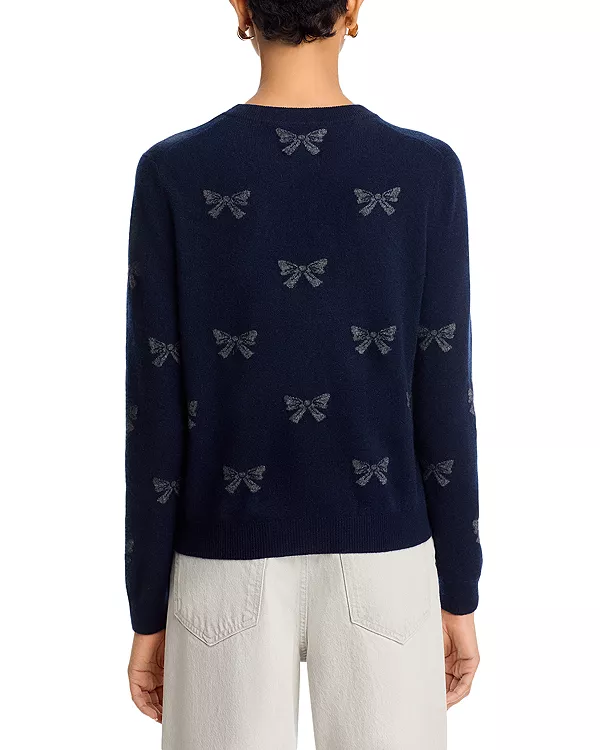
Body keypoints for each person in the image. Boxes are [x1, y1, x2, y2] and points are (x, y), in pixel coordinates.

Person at [125, 1, 482, 747]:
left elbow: (153, 408)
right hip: (385, 561)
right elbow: (446, 398)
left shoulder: (173, 174)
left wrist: (148, 610)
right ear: (353, 7)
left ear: (239, 6)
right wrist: (459, 590)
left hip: (221, 558)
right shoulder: (426, 172)